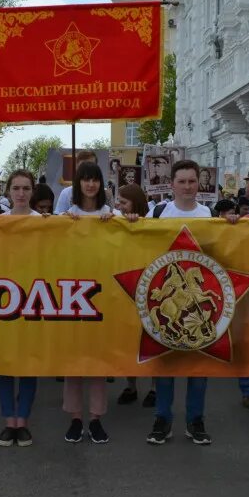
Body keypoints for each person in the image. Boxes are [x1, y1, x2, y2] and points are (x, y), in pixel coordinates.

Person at [144, 160, 213, 446]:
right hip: (166, 287)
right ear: (171, 184)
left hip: (199, 290)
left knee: (198, 366)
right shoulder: (158, 212)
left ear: (199, 184)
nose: (187, 187)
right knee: (167, 363)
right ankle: (163, 418)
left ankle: (195, 420)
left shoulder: (208, 214)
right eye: (182, 181)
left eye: (192, 181)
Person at [62, 160, 114, 443]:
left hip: (102, 297)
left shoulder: (110, 215)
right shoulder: (68, 216)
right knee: (73, 363)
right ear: (78, 184)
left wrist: (122, 222)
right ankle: (75, 418)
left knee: (97, 363)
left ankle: (95, 418)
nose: (90, 184)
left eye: (95, 179)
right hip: (73, 296)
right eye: (85, 179)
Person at [0, 170, 41, 447]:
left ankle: (22, 421)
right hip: (2, 299)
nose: (21, 193)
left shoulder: (44, 223)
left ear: (32, 191)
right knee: (4, 362)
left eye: (26, 188)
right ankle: (7, 420)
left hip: (34, 298)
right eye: (16, 188)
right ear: (8, 191)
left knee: (27, 362)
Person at [113, 183, 157, 408]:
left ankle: (153, 388)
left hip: (148, 286)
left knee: (152, 336)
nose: (118, 206)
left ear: (136, 203)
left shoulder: (153, 224)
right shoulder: (115, 223)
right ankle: (130, 385)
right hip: (123, 286)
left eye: (123, 202)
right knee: (127, 339)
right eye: (117, 201)